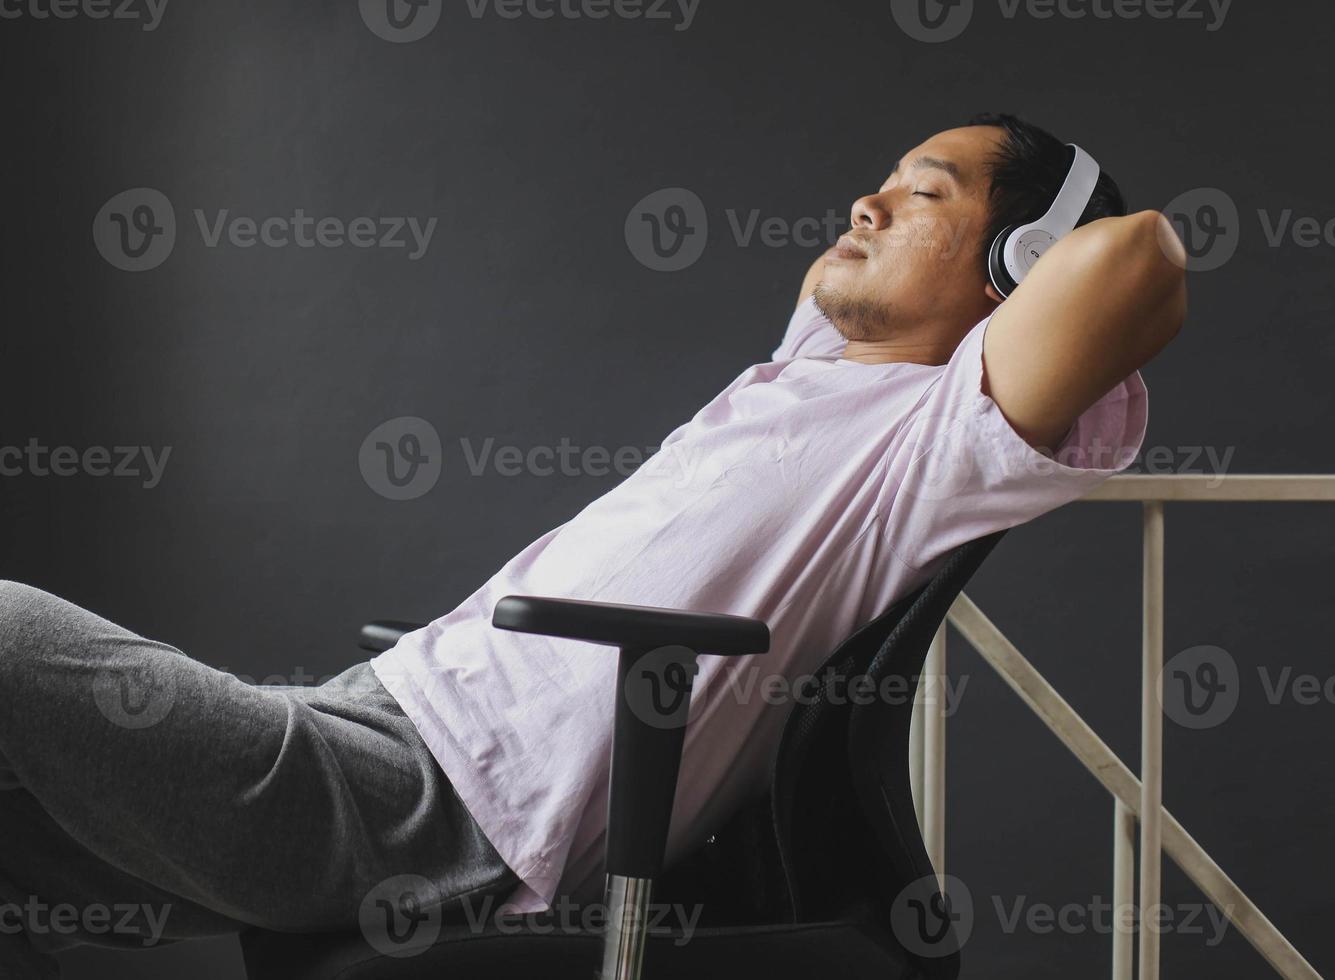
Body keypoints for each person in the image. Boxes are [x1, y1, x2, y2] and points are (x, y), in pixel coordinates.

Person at [0, 112, 1182, 975]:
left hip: (438, 805)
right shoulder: (804, 380)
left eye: (922, 194)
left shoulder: (933, 440)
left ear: (1013, 266)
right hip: (374, 717)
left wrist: (1041, 248)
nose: (864, 204)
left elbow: (1137, 259)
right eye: (876, 183)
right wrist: (903, 230)